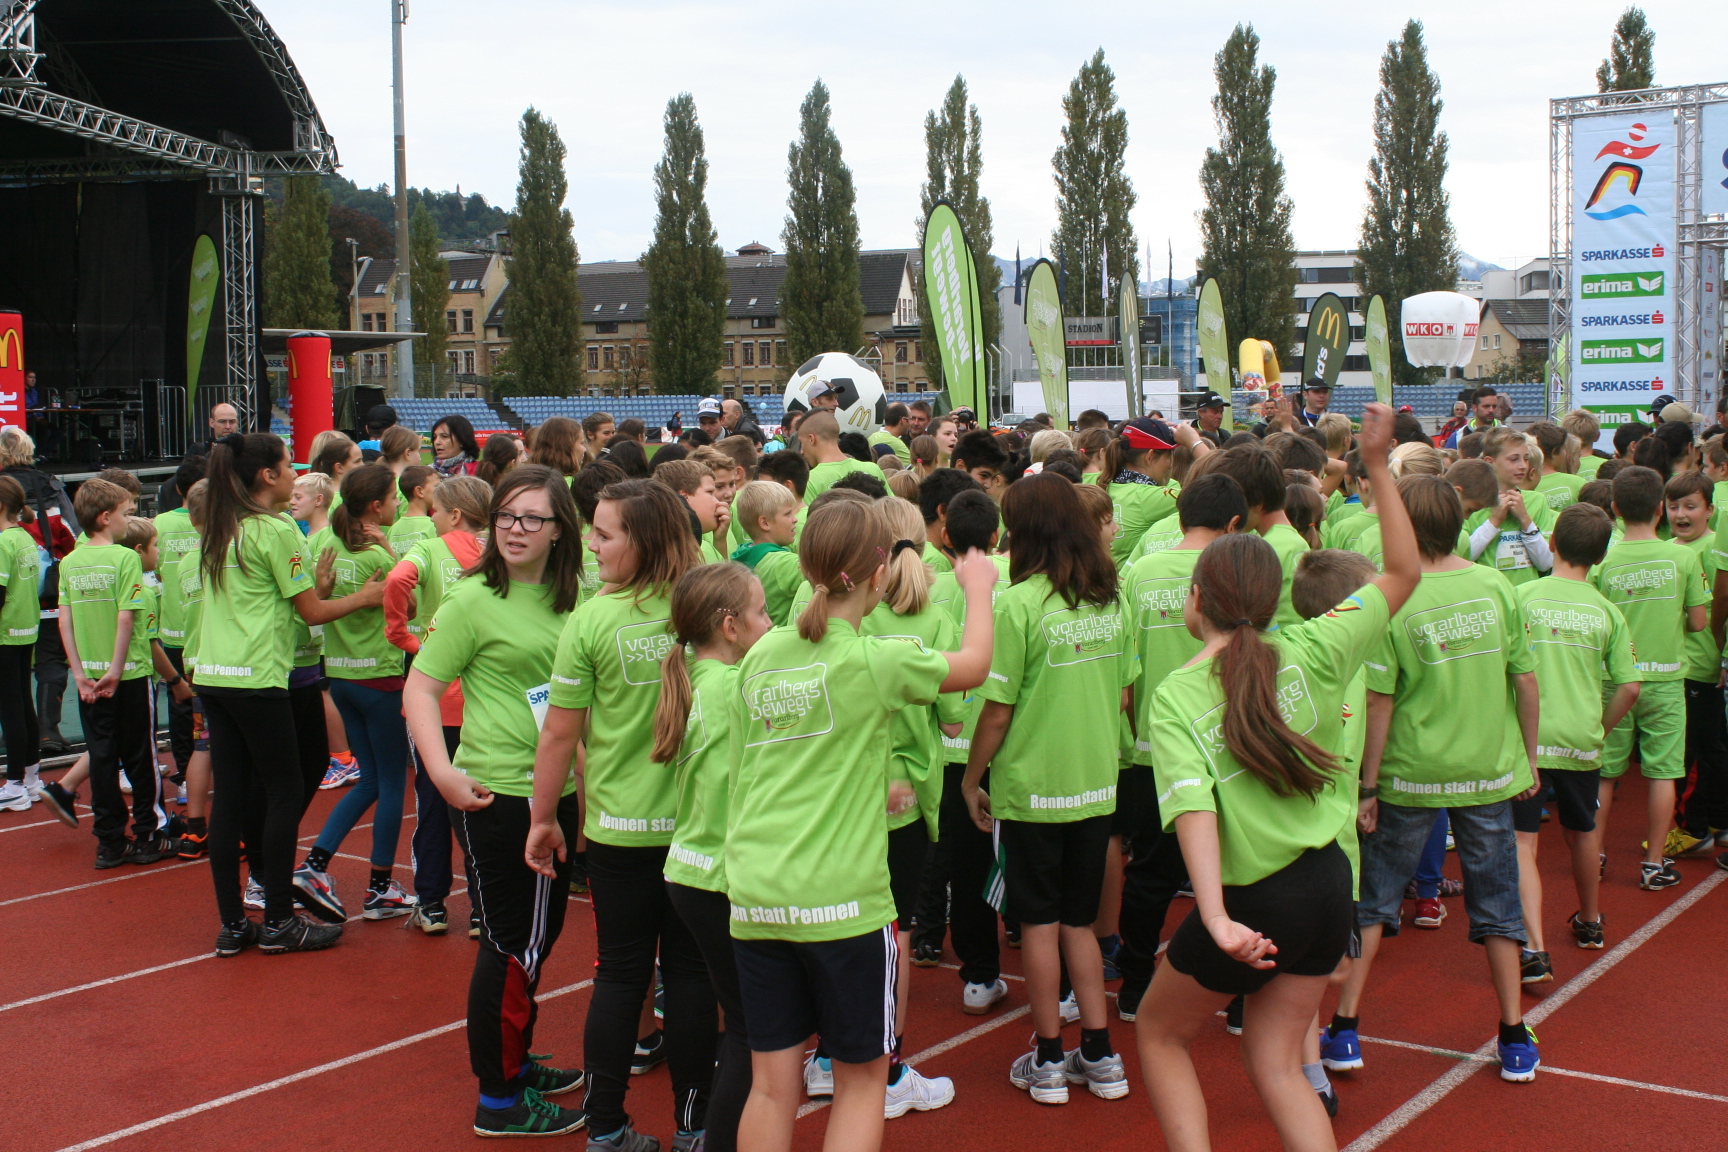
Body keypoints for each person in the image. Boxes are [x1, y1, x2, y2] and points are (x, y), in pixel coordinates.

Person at [1136, 402, 1417, 1149]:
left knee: (1159, 1034)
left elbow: (1194, 812)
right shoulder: (1319, 647)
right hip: (1327, 884)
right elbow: (1402, 571)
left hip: (1255, 896)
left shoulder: (1179, 695)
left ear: (1197, 600)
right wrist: (1377, 466)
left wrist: (1215, 917)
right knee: (1279, 1065)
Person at [726, 498, 996, 1152]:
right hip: (842, 901)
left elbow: (759, 772)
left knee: (770, 1088)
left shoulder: (762, 655)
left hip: (757, 893)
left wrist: (869, 789)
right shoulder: (877, 659)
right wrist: (978, 589)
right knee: (863, 1081)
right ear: (881, 574)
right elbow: (974, 666)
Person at [1330, 471, 1542, 1085]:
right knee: (1498, 906)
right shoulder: (1494, 586)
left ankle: (1345, 1027)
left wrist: (1368, 786)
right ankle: (1513, 1034)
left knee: (1375, 902)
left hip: (1411, 773)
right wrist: (1529, 759)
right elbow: (1524, 679)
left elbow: (1379, 700)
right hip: (1487, 772)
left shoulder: (1390, 598)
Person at [528, 479, 714, 1152]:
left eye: (605, 535)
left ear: (646, 540)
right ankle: (695, 1127)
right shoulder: (709, 603)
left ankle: (605, 1127)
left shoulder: (592, 620)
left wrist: (543, 818)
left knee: (620, 974)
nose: (592, 546)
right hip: (698, 832)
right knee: (691, 977)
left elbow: (558, 734)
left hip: (620, 832)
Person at [406, 466, 590, 1137]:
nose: (515, 529)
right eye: (506, 516)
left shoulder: (576, 596)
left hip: (556, 790)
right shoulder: (472, 599)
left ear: (559, 529)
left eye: (532, 518)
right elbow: (421, 690)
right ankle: (501, 1097)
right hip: (501, 792)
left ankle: (514, 1064)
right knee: (513, 944)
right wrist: (442, 773)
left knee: (534, 938)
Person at [962, 474, 1135, 1106]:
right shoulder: (1110, 599)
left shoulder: (1017, 605)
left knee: (1038, 925)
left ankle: (1049, 1057)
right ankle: (1101, 1052)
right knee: (1079, 924)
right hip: (1094, 784)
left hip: (1032, 789)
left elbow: (997, 711)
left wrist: (971, 779)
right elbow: (1124, 694)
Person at [194, 433, 383, 953]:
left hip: (214, 674)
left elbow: (273, 603)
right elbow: (312, 613)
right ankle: (278, 919)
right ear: (268, 476)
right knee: (284, 791)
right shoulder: (276, 529)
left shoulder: (221, 525)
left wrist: (315, 591)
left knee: (230, 798)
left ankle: (234, 925)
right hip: (257, 676)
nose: (296, 475)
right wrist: (366, 596)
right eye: (288, 466)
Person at [1114, 474, 1247, 1021]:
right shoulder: (1235, 572)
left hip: (1152, 747)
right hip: (1225, 746)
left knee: (1148, 874)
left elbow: (1124, 665)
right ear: (1233, 524)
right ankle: (1240, 997)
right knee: (1240, 871)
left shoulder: (1140, 570)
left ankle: (1134, 984)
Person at [653, 563, 774, 1151]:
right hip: (720, 878)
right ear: (729, 626)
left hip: (693, 872)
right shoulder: (733, 688)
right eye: (762, 612)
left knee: (747, 1022)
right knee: (756, 1031)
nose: (770, 623)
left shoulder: (699, 677)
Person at [854, 496, 966, 1118]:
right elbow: (952, 718)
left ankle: (832, 1057)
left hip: (845, 788)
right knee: (892, 931)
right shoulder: (936, 614)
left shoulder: (842, 613)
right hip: (906, 789)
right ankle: (890, 1068)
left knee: (844, 923)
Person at [1513, 503, 1640, 966]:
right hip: (1581, 740)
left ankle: (1533, 946)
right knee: (1582, 832)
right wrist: (1600, 728)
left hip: (1527, 740)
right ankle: (1590, 920)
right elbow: (1630, 686)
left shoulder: (1521, 596)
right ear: (1601, 556)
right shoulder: (1607, 610)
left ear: (1551, 543)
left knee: (1523, 841)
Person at [293, 464, 416, 923]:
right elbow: (411, 605)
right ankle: (379, 888)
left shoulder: (324, 541)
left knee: (369, 780)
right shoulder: (376, 554)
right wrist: (391, 550)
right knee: (391, 784)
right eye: (393, 498)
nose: (398, 504)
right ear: (375, 507)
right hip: (379, 679)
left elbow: (315, 597)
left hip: (340, 677)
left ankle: (315, 865)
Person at [1594, 466, 1708, 890]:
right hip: (1666, 680)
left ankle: (1594, 854)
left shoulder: (1604, 562)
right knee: (1663, 773)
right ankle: (1653, 864)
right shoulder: (1684, 557)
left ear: (1616, 509)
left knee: (1606, 773)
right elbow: (1698, 622)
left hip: (1615, 680)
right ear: (1661, 508)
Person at [385, 475, 490, 934]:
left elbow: (396, 579)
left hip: (434, 697)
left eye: (436, 512)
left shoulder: (430, 549)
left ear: (455, 514)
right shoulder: (498, 551)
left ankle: (431, 905)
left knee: (431, 801)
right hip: (482, 696)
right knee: (481, 799)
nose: (431, 518)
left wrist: (401, 636)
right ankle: (482, 909)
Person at [56, 478, 173, 865]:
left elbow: (65, 621)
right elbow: (126, 618)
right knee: (141, 756)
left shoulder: (70, 562)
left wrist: (79, 674)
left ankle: (109, 842)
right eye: (128, 513)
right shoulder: (125, 559)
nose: (132, 519)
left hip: (89, 678)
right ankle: (149, 834)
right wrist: (117, 670)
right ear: (106, 518)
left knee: (103, 756)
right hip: (130, 674)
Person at [0, 476, 41, 812]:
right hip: (25, 629)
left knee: (10, 707)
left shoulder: (3, 542)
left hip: (5, 632)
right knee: (23, 702)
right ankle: (30, 778)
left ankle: (14, 784)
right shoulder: (24, 537)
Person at [730, 480, 803, 627]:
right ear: (765, 523)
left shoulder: (740, 554)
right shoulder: (783, 563)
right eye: (788, 514)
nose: (795, 519)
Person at [158, 403, 242, 511]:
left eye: (232, 421)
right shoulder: (198, 450)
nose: (228, 426)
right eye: (222, 421)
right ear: (211, 422)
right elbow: (183, 480)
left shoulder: (245, 449)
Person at [798, 410, 887, 504]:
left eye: (801, 442)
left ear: (811, 439)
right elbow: (891, 508)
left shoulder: (809, 481)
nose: (801, 451)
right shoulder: (873, 469)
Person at [390, 466, 440, 554]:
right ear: (419, 491)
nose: (441, 490)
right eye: (437, 486)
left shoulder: (393, 530)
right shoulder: (433, 525)